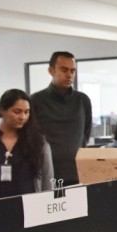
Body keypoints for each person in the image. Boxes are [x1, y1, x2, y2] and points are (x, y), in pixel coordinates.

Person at [30, 51, 92, 185]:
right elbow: (31, 136)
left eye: (72, 71)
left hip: (78, 173)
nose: (69, 75)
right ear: (51, 71)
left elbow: (85, 133)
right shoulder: (35, 100)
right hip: (47, 173)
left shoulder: (83, 100)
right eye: (64, 70)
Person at [0, 89, 54, 200]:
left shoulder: (38, 141)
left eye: (26, 112)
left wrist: (47, 203)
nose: (23, 117)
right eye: (17, 112)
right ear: (2, 110)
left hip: (29, 205)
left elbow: (47, 179)